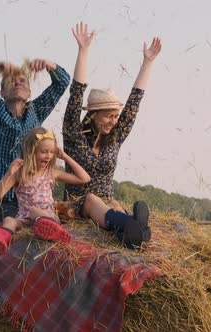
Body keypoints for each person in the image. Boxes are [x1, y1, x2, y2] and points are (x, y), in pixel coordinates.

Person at [62, 22, 162, 249]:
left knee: (111, 203)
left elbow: (134, 103)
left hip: (108, 204)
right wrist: (83, 51)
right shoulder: (74, 136)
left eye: (116, 116)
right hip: (79, 205)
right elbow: (75, 95)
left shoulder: (115, 138)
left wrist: (147, 62)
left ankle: (131, 231)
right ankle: (131, 225)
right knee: (91, 200)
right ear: (94, 115)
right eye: (109, 116)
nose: (114, 121)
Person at [0, 58, 71, 226]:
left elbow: (62, 82)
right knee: (16, 229)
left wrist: (49, 66)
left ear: (30, 92)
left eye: (23, 81)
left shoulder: (37, 111)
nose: (18, 83)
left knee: (42, 227)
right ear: (2, 92)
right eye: (11, 81)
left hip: (28, 200)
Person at [0, 127, 91, 255]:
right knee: (9, 220)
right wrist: (9, 173)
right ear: (31, 152)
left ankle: (54, 232)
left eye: (52, 152)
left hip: (48, 217)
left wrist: (65, 157)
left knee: (35, 211)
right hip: (26, 220)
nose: (49, 156)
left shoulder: (51, 173)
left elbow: (84, 178)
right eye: (44, 152)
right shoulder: (20, 175)